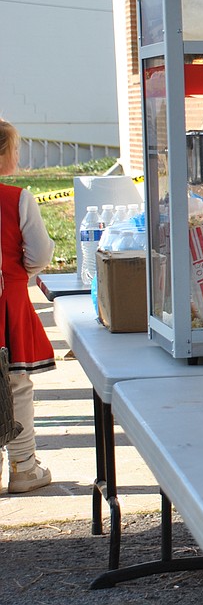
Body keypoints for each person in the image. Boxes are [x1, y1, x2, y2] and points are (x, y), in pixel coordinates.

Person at [0, 119, 55, 491]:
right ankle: (23, 467)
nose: (18, 156)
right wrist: (23, 271)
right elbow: (39, 254)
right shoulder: (17, 198)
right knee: (17, 384)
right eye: (16, 149)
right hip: (8, 300)